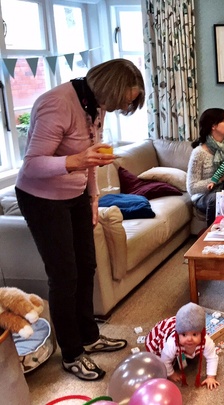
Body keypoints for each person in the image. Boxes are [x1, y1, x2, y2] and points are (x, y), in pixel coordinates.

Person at [14, 59, 145, 380]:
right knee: (64, 277)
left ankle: (89, 336)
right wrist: (73, 160)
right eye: (124, 100)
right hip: (42, 199)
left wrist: (93, 197)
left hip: (75, 197)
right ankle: (72, 354)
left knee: (87, 266)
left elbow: (92, 158)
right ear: (111, 89)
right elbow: (31, 165)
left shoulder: (96, 105)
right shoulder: (57, 104)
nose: (123, 107)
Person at [145, 302, 220, 389]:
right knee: (159, 360)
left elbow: (212, 357)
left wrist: (211, 377)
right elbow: (165, 360)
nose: (189, 339)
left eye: (194, 334)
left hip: (184, 344)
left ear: (202, 333)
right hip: (165, 331)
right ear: (178, 334)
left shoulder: (206, 341)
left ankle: (187, 349)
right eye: (184, 335)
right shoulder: (172, 343)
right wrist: (171, 374)